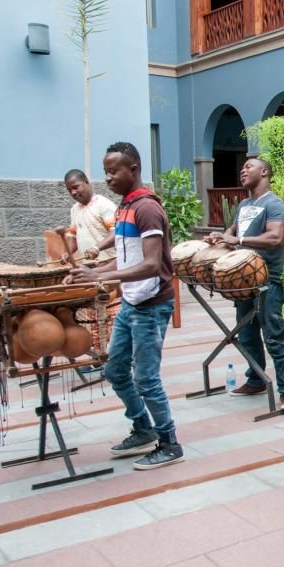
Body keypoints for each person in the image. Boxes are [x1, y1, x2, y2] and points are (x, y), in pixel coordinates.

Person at [65, 142, 183, 470]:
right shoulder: (124, 208)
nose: (108, 177)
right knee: (115, 369)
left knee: (146, 378)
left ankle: (169, 442)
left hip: (151, 304)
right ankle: (143, 428)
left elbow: (149, 263)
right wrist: (91, 274)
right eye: (106, 171)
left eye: (114, 170)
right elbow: (125, 256)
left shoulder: (146, 208)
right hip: (133, 301)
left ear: (133, 170)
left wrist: (105, 277)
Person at [207, 158, 284, 411]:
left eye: (249, 166)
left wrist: (237, 239)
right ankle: (256, 379)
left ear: (265, 171)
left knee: (273, 336)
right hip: (243, 279)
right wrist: (219, 238)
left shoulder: (274, 203)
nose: (243, 170)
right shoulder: (245, 204)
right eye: (242, 167)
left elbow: (276, 237)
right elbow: (232, 230)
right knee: (247, 335)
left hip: (268, 279)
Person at [58, 169, 117, 262]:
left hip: (110, 265)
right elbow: (73, 235)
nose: (73, 192)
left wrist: (96, 248)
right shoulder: (74, 209)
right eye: (69, 190)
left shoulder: (104, 204)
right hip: (88, 267)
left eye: (76, 187)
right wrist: (67, 253)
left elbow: (116, 233)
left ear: (86, 181)